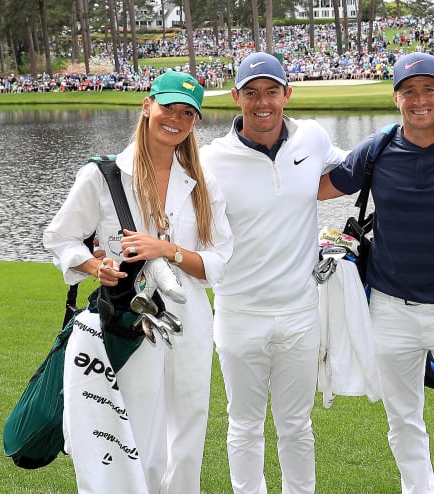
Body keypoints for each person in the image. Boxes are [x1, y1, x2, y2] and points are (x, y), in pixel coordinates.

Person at [43, 70, 233, 493]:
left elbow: (219, 262)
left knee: (189, 428)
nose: (176, 120)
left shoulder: (204, 184)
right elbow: (60, 237)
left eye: (188, 113)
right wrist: (94, 267)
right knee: (135, 426)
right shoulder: (104, 176)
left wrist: (167, 251)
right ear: (147, 105)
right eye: (168, 107)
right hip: (129, 317)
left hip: (191, 317)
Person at [318, 52, 434, 494]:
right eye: (409, 91)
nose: (420, 100)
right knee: (403, 421)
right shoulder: (377, 149)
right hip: (390, 310)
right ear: (396, 98)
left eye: (428, 89)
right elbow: (315, 188)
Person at [200, 52, 345, 494]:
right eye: (251, 93)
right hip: (238, 311)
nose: (262, 102)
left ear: (287, 93)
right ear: (236, 98)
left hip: (300, 311)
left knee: (296, 424)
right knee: (244, 424)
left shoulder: (313, 138)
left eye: (271, 91)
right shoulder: (210, 158)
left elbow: (357, 167)